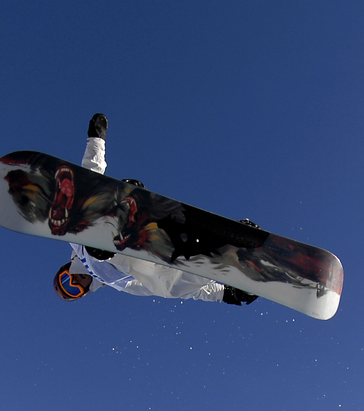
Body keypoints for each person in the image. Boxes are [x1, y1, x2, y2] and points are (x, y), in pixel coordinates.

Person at [54, 114, 258, 306]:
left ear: (66, 269)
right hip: (147, 246)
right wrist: (224, 294)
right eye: (75, 290)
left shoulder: (77, 244)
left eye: (67, 280)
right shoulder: (121, 284)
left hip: (120, 224)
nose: (76, 283)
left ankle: (126, 209)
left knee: (86, 217)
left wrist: (96, 141)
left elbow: (86, 186)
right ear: (85, 292)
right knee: (170, 287)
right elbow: (175, 288)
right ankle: (227, 251)